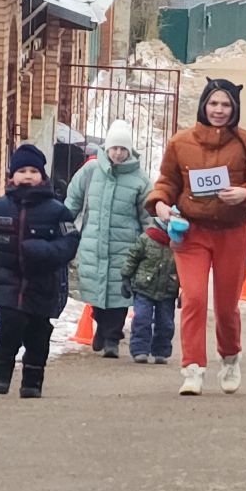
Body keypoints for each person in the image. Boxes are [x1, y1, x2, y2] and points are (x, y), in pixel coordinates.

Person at [147, 79, 246, 396]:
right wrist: (161, 204)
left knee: (227, 304)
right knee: (193, 298)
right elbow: (166, 182)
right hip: (192, 232)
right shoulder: (180, 143)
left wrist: (245, 193)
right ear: (204, 105)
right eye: (214, 103)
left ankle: (230, 358)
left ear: (235, 109)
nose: (219, 110)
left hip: (232, 233)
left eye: (226, 105)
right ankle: (192, 369)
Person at [0, 144, 80, 399]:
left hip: (42, 285)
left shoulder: (57, 211)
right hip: (7, 281)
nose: (27, 175)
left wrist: (44, 251)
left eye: (33, 171)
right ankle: (0, 375)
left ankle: (32, 382)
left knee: (38, 333)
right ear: (11, 176)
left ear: (42, 177)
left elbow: (69, 243)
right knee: (8, 326)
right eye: (21, 170)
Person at [65, 119, 148, 359]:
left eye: (123, 149)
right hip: (93, 244)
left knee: (119, 295)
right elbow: (73, 201)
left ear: (130, 150)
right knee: (95, 292)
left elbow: (147, 215)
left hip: (125, 248)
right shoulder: (90, 172)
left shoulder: (140, 180)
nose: (119, 153)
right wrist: (61, 227)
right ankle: (100, 327)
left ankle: (112, 338)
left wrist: (147, 243)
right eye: (115, 148)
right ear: (107, 148)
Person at [121, 216, 180, 365]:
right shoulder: (146, 238)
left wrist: (184, 289)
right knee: (142, 318)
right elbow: (132, 258)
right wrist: (126, 277)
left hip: (168, 289)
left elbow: (186, 268)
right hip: (144, 287)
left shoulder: (180, 244)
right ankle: (139, 349)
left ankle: (161, 351)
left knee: (165, 323)